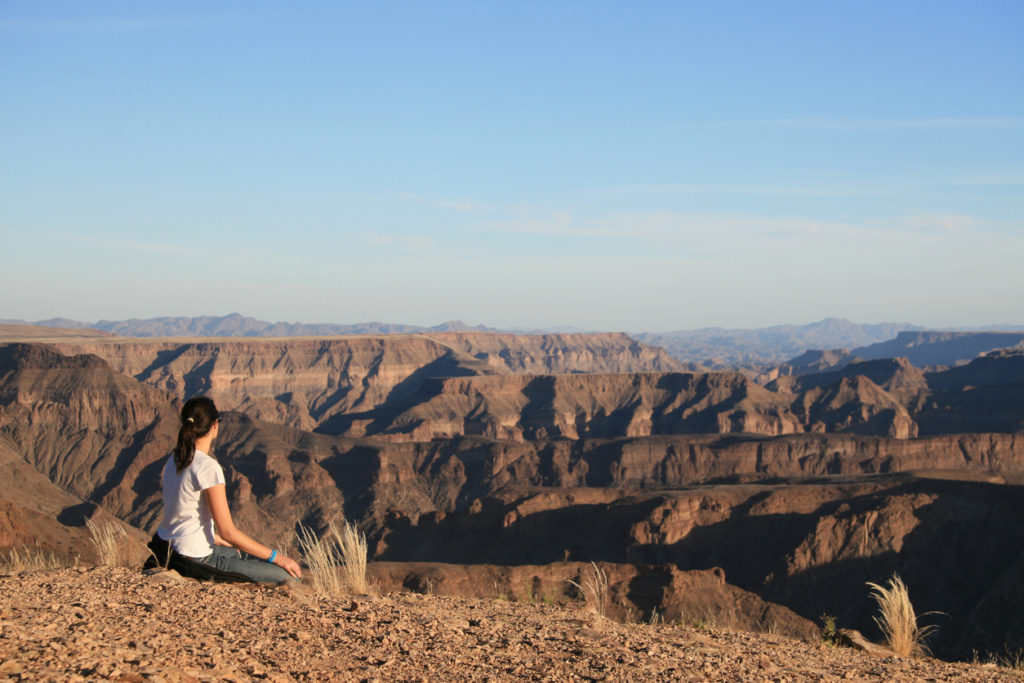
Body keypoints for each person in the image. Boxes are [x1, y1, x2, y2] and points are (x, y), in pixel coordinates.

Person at [146, 396, 302, 583]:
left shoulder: (176, 458)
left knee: (234, 553)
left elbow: (183, 512)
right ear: (215, 425)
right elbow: (228, 532)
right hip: (194, 559)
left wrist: (213, 538)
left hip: (166, 548)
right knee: (290, 577)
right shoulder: (207, 467)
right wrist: (278, 557)